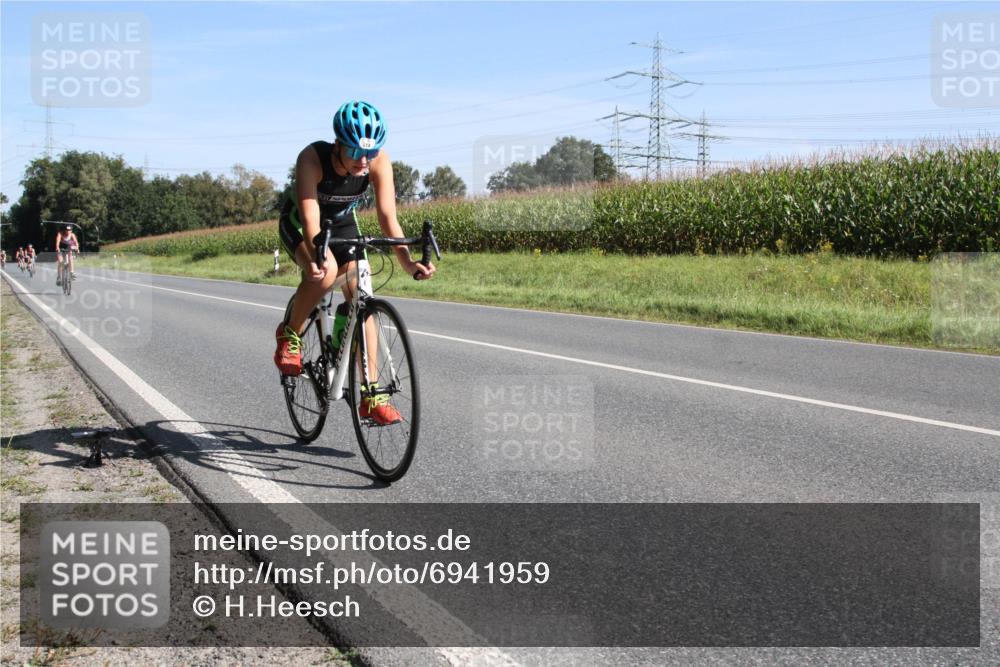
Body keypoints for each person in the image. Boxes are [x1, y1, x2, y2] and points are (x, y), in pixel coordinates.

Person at [274, 100, 435, 425]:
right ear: (338, 145)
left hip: (343, 225)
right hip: (303, 223)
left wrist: (407, 263)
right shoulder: (312, 159)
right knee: (325, 272)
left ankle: (372, 395)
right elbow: (311, 218)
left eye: (372, 152)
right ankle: (289, 334)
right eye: (357, 152)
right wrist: (318, 256)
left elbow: (389, 218)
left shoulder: (377, 162)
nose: (365, 160)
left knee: (362, 290)